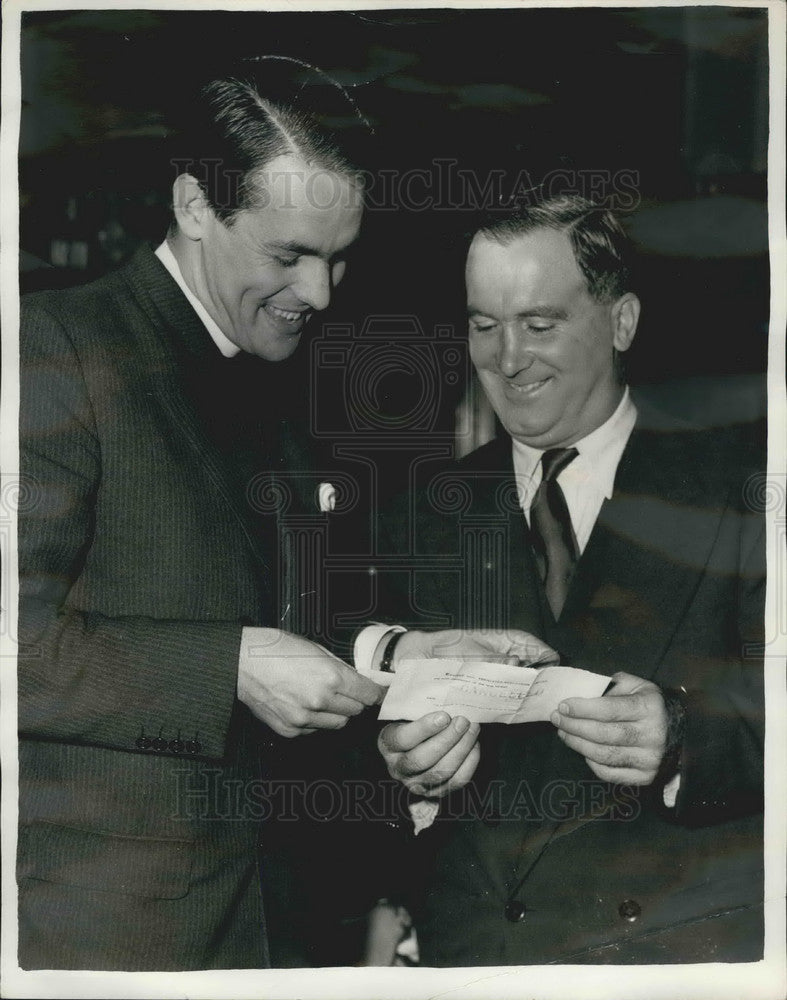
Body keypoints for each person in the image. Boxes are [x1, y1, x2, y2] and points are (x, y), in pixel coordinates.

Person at [16, 59, 544, 971]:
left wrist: (402, 657)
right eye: (288, 255)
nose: (322, 294)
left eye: (339, 258)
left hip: (276, 928)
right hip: (107, 940)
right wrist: (228, 664)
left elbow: (294, 625)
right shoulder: (52, 351)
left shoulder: (267, 382)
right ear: (192, 206)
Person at [374, 193, 765, 964]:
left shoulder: (741, 491)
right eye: (483, 326)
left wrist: (684, 741)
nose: (506, 358)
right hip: (475, 956)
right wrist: (400, 765)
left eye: (539, 324)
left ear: (620, 322)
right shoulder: (420, 515)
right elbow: (334, 742)